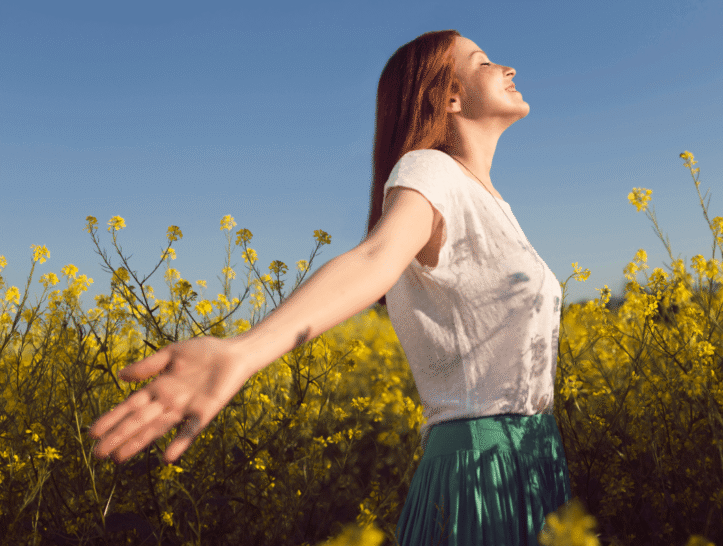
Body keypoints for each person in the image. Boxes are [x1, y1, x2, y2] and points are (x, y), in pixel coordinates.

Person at [89, 30, 573, 545]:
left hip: (535, 456)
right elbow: (374, 258)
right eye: (484, 62)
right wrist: (245, 352)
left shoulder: (493, 202)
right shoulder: (430, 170)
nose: (508, 69)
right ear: (449, 96)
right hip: (483, 464)